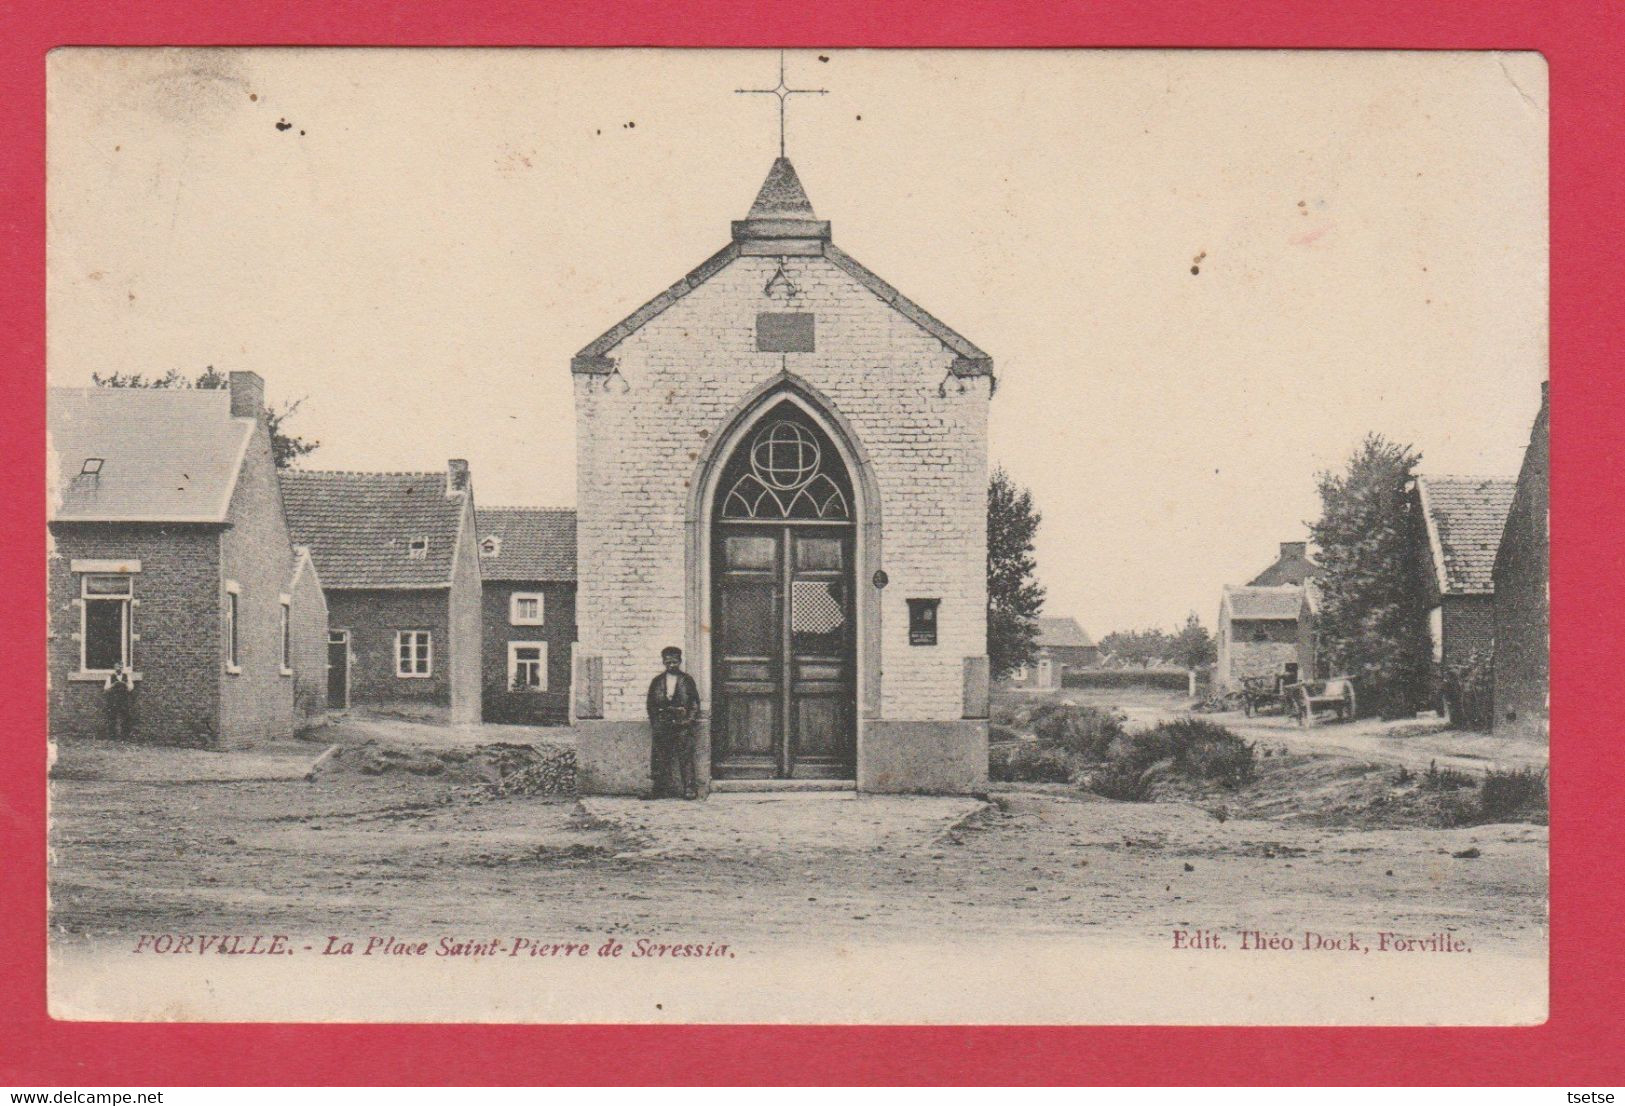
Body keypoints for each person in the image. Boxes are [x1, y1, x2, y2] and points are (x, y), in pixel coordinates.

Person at [646, 646, 701, 799]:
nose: (672, 665)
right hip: (663, 723)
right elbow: (650, 705)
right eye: (668, 662)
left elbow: (695, 703)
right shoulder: (657, 682)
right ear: (663, 662)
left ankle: (689, 789)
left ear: (680, 661)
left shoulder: (687, 680)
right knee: (659, 756)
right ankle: (658, 789)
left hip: (682, 724)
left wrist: (689, 721)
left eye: (675, 662)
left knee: (686, 756)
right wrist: (656, 723)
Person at [104, 662, 135, 742]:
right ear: (114, 667)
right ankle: (112, 737)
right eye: (117, 667)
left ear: (122, 668)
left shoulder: (127, 676)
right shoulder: (110, 677)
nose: (119, 668)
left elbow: (131, 688)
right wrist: (114, 684)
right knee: (112, 717)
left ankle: (125, 737)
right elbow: (106, 689)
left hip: (124, 700)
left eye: (120, 667)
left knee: (125, 717)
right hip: (113, 700)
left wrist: (125, 684)